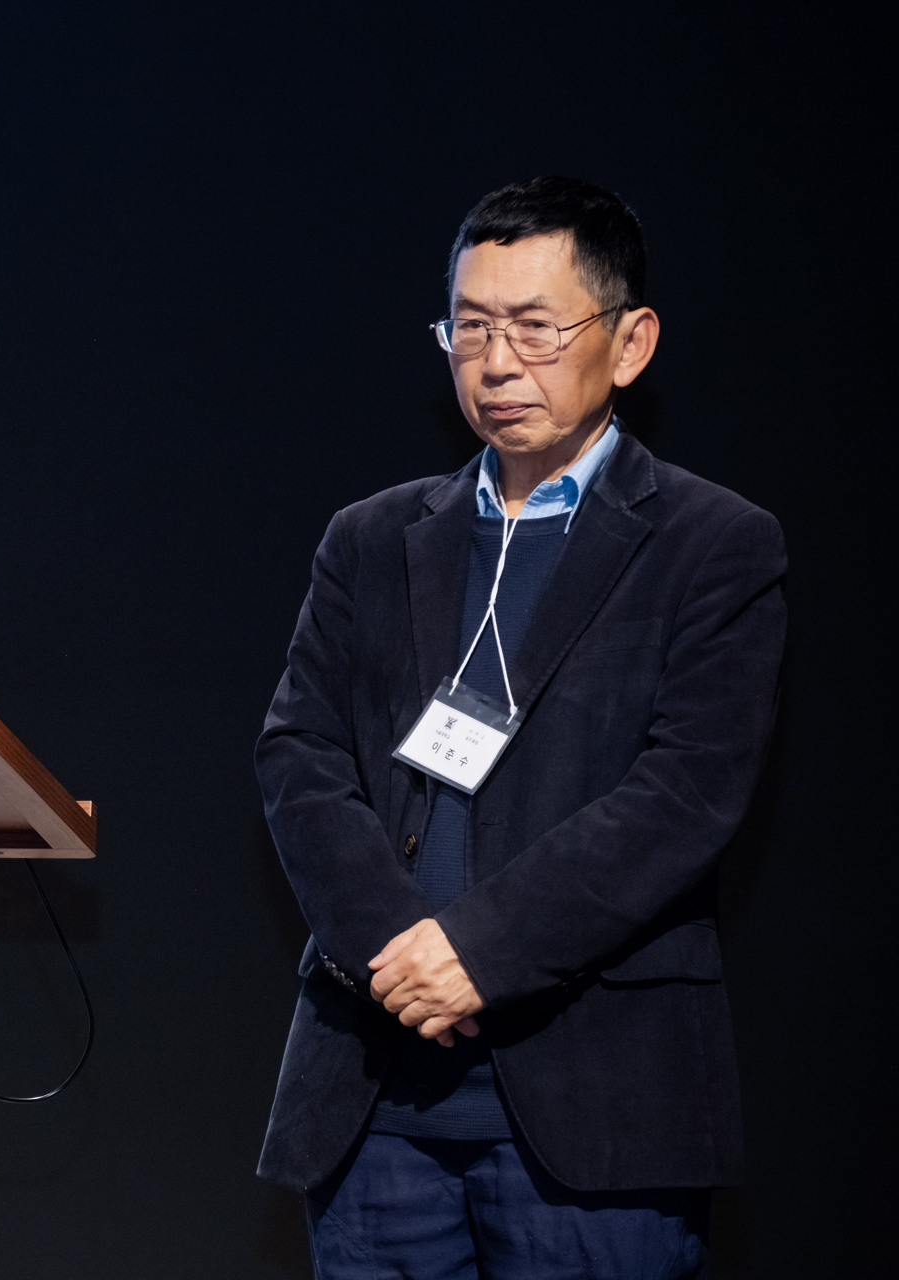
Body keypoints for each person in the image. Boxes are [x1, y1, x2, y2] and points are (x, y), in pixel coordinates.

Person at [254, 176, 785, 1276]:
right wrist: (396, 954)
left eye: (536, 327)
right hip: (376, 1098)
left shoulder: (714, 543)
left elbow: (686, 793)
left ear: (630, 343)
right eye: (470, 328)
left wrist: (479, 951)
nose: (496, 364)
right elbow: (299, 755)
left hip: (600, 1104)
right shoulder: (370, 538)